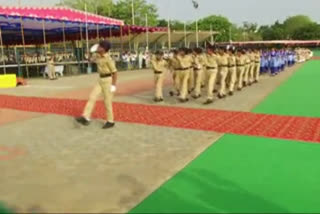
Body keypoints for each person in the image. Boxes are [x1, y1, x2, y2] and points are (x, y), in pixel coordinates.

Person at [75, 40, 117, 129]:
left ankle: (110, 121)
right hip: (100, 79)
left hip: (108, 80)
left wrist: (113, 85)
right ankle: (85, 117)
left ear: (104, 49)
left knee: (107, 101)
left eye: (100, 46)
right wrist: (90, 53)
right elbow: (90, 60)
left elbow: (115, 73)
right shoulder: (97, 55)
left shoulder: (108, 59)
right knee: (92, 97)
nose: (98, 47)